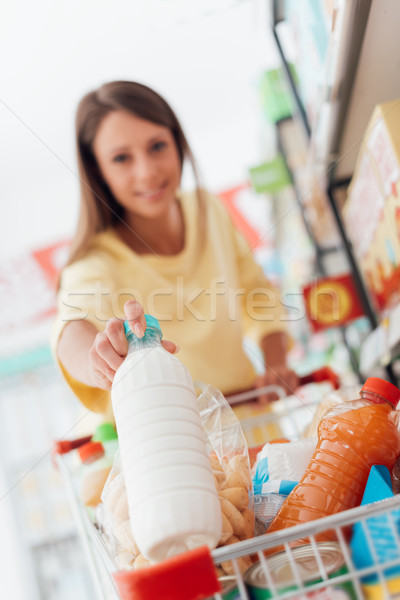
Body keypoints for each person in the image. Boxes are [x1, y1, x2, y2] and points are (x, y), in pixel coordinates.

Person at [52, 80, 298, 420]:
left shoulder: (208, 209)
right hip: (169, 451)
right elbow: (71, 325)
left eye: (157, 146)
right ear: (99, 171)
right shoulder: (95, 262)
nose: (147, 172)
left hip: (252, 423)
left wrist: (276, 364)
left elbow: (256, 293)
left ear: (177, 143)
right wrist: (95, 361)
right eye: (121, 158)